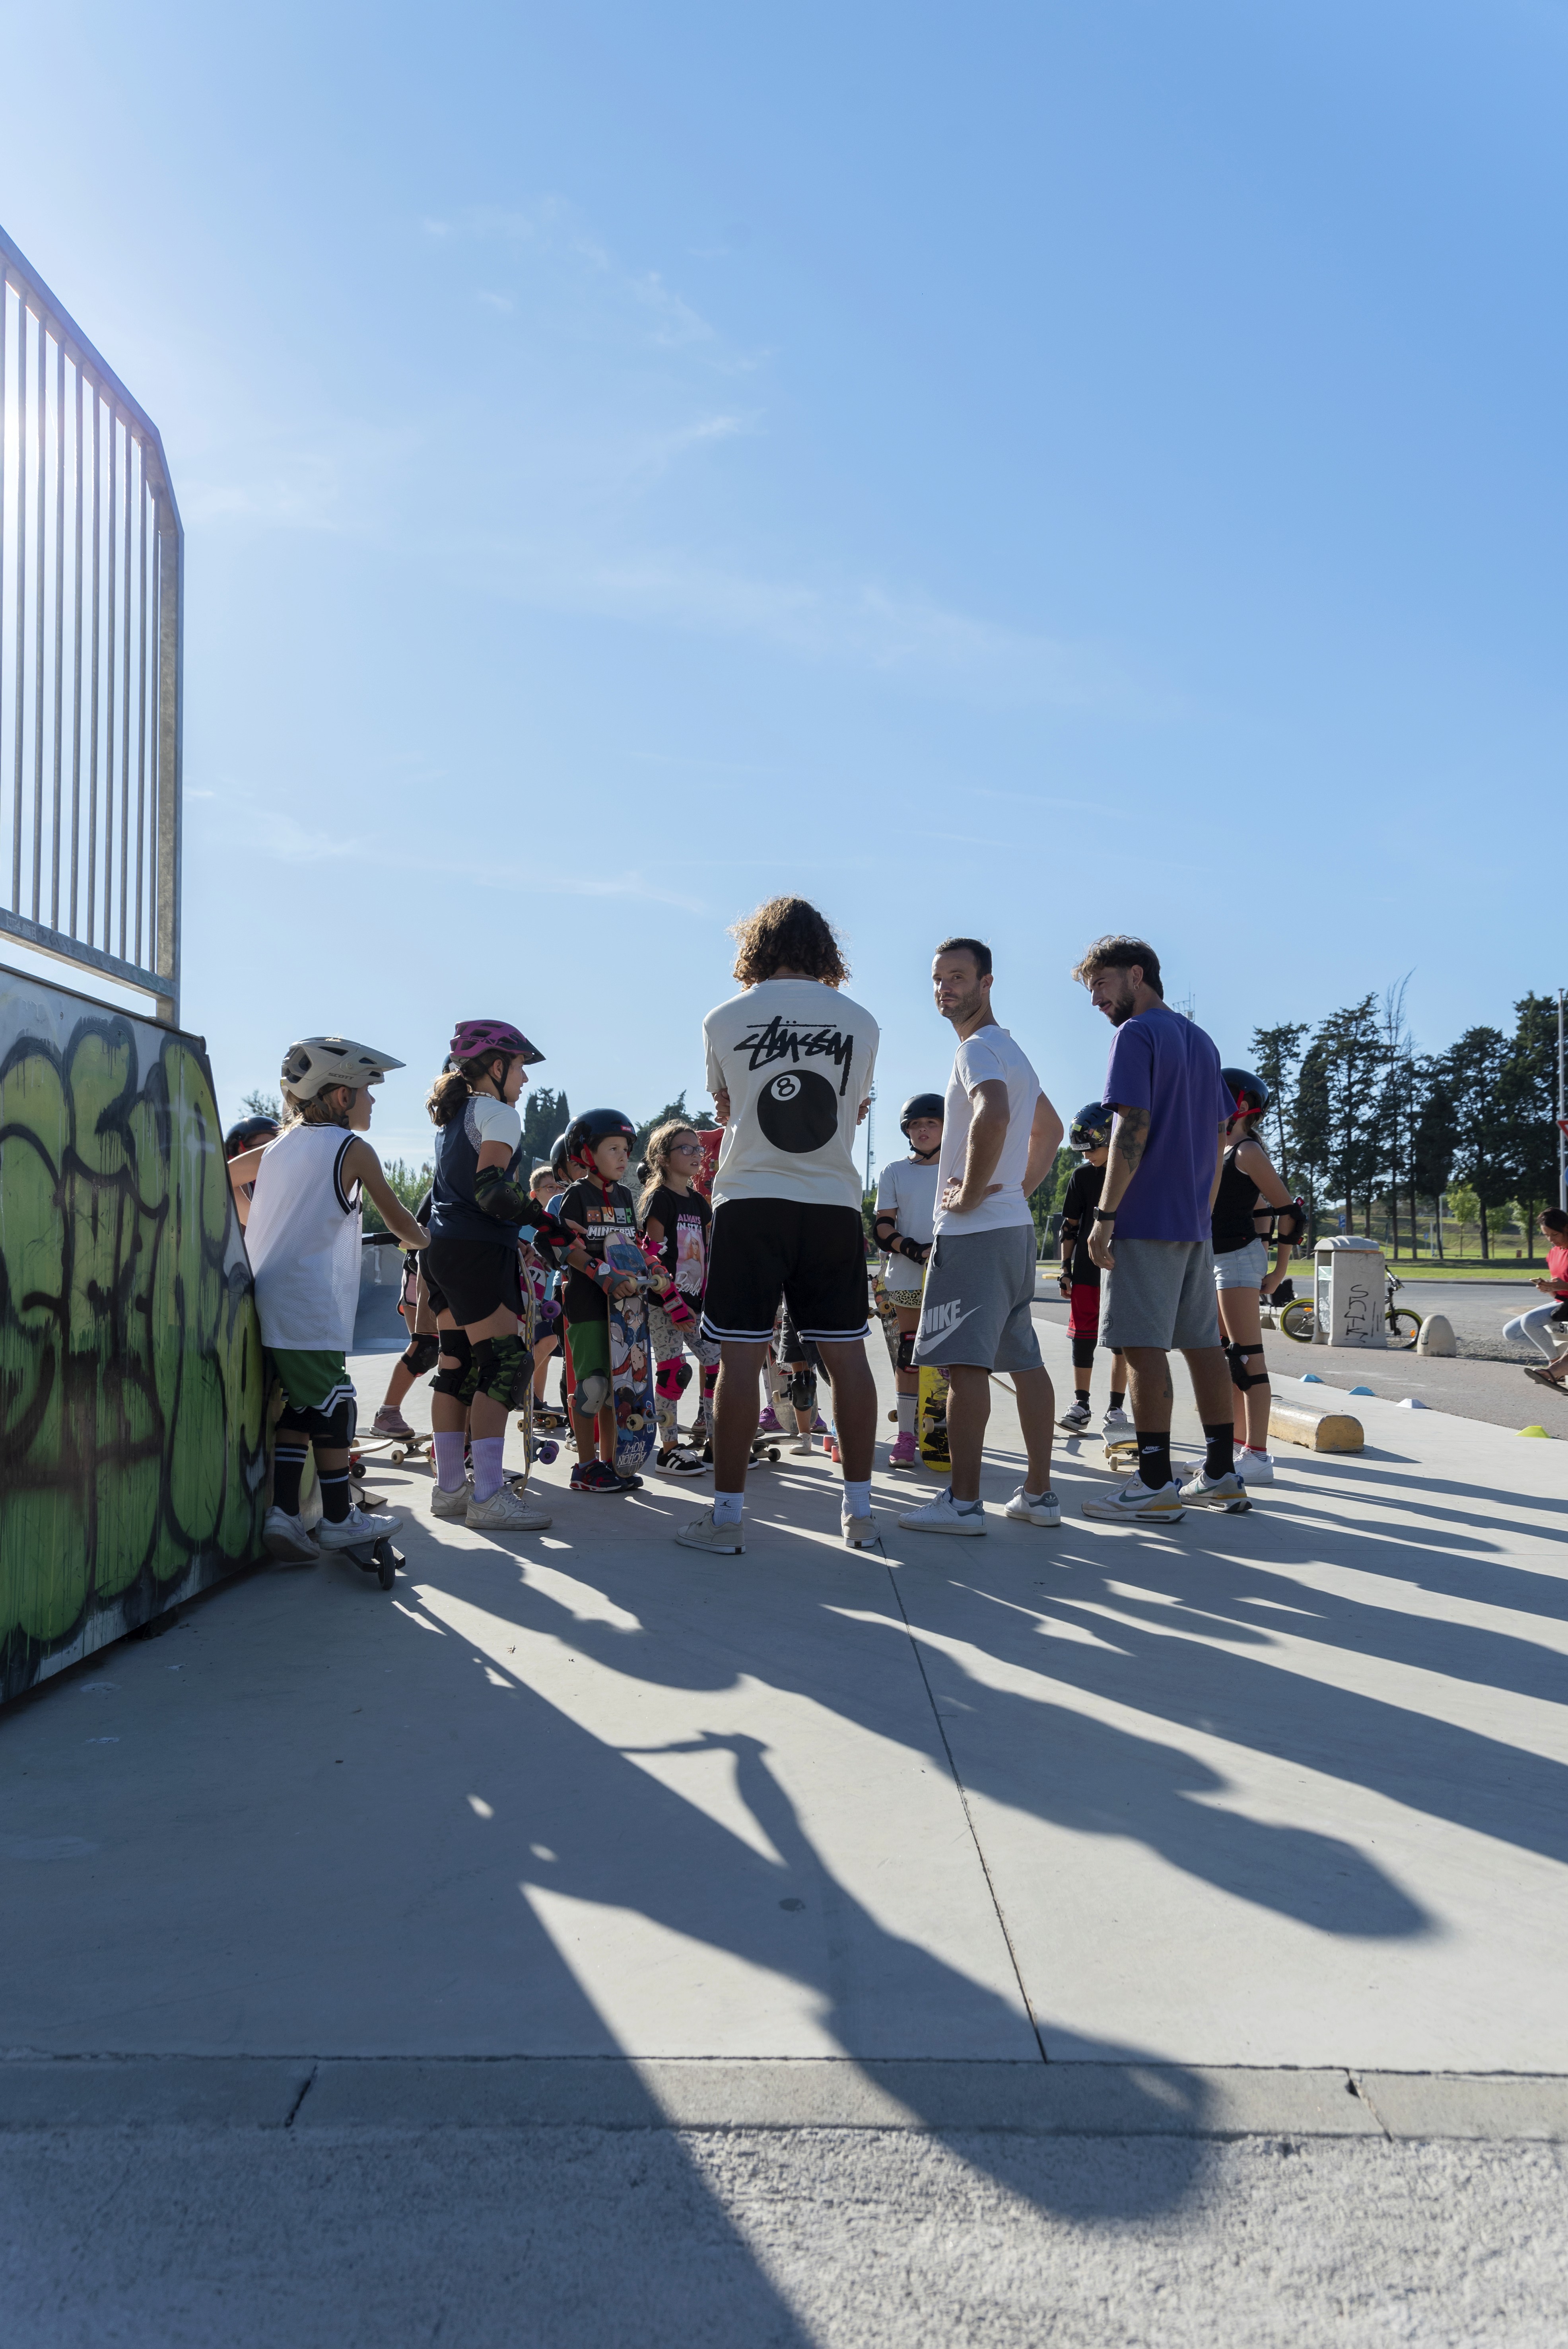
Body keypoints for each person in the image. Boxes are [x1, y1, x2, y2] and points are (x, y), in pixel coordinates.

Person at [679, 895, 881, 1554]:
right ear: (824, 948)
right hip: (830, 1200)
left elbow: (726, 1104)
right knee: (847, 1357)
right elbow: (851, 1110)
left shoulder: (723, 1017)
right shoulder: (861, 1021)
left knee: (740, 1361)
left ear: (755, 947)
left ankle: (728, 1517)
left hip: (751, 1197)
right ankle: (859, 1513)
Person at [1070, 936, 1249, 1522]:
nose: (1095, 999)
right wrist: (1202, 1208)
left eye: (1100, 983)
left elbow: (1131, 1127)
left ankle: (1152, 1482)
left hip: (1144, 1218)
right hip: (1192, 1223)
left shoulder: (1135, 1034)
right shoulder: (1200, 1040)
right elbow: (1222, 1133)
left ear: (1135, 974)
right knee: (1202, 1346)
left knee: (1143, 1349)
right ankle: (1220, 1472)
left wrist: (1103, 1215)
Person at [898, 940, 1063, 1536]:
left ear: (987, 982)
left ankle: (963, 1503)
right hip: (1013, 1229)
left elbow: (992, 1112)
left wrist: (970, 1193)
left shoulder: (975, 1049)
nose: (945, 988)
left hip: (974, 1233)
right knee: (1023, 1361)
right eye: (938, 978)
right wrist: (1016, 1187)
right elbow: (1050, 1128)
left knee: (964, 1367)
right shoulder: (1012, 1049)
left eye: (958, 977)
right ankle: (1038, 1495)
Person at [241, 1036, 425, 1564]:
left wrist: (258, 1224)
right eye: (368, 1090)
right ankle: (341, 1519)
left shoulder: (276, 1147)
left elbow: (227, 1176)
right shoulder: (353, 1149)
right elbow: (400, 1223)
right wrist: (426, 1241)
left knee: (302, 1407)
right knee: (338, 1405)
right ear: (341, 1097)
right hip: (308, 1300)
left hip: (273, 1293)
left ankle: (282, 1514)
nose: (373, 1100)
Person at [423, 1019, 556, 1534]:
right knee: (504, 1363)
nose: (525, 1079)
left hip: (441, 1249)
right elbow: (493, 1194)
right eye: (521, 1067)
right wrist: (549, 1223)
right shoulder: (499, 1112)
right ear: (497, 1066)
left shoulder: (454, 1118)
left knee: (456, 1364)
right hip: (478, 1248)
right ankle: (487, 1495)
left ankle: (451, 1488)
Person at [1210, 1069, 1306, 1483]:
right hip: (1214, 1259)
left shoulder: (1247, 1151)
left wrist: (1279, 1269)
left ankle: (1259, 1455)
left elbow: (1290, 1212)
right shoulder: (1220, 1147)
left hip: (1237, 1259)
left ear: (1242, 1107)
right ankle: (1233, 1448)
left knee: (1248, 1356)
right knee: (1224, 1357)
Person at [555, 1107, 644, 1494]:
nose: (623, 1156)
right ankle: (585, 1466)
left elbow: (634, 1248)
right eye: (613, 1148)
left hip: (625, 1311)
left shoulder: (626, 1196)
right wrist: (603, 1276)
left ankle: (612, 1463)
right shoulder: (575, 1197)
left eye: (626, 1149)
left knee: (617, 1387)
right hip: (588, 1305)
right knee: (592, 1387)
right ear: (586, 1154)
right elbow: (566, 1248)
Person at [638, 1119, 721, 1472]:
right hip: (664, 1303)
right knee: (674, 1371)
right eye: (684, 1149)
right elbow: (650, 1254)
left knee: (716, 1365)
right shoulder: (660, 1198)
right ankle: (668, 1449)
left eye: (697, 1149)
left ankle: (717, 1442)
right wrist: (672, 1301)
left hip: (696, 1302)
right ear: (662, 1156)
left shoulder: (700, 1204)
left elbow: (705, 1252)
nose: (694, 1155)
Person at [872, 1093, 943, 1468]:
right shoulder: (894, 1171)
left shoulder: (960, 1165)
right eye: (916, 1125)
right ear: (907, 1131)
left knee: (950, 1358)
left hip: (952, 1274)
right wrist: (915, 1250)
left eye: (931, 1123)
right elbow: (883, 1227)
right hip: (906, 1275)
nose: (923, 1130)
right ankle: (906, 1435)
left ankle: (944, 1428)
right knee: (910, 1355)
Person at [1054, 1105, 1130, 1437]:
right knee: (1082, 1338)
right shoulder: (1081, 1177)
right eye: (1081, 1151)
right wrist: (1065, 1269)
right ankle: (1081, 1404)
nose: (1088, 1157)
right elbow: (1069, 1227)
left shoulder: (1133, 1171)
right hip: (1086, 1270)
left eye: (1092, 1149)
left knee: (1121, 1342)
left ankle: (1116, 1408)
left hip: (1124, 1267)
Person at [1505, 1209, 1568, 1389]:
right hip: (1561, 1304)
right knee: (1511, 1332)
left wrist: (1561, 1286)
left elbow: (1563, 1286)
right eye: (1546, 1235)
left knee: (1530, 1321)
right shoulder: (1554, 1254)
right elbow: (1558, 1293)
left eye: (1555, 1234)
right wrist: (1548, 1288)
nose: (1551, 1240)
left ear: (1567, 1228)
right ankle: (1559, 1365)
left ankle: (1555, 1367)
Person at [224, 1113, 278, 1230]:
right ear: (241, 1150)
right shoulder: (240, 1186)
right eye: (265, 1146)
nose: (276, 1150)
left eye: (277, 1144)